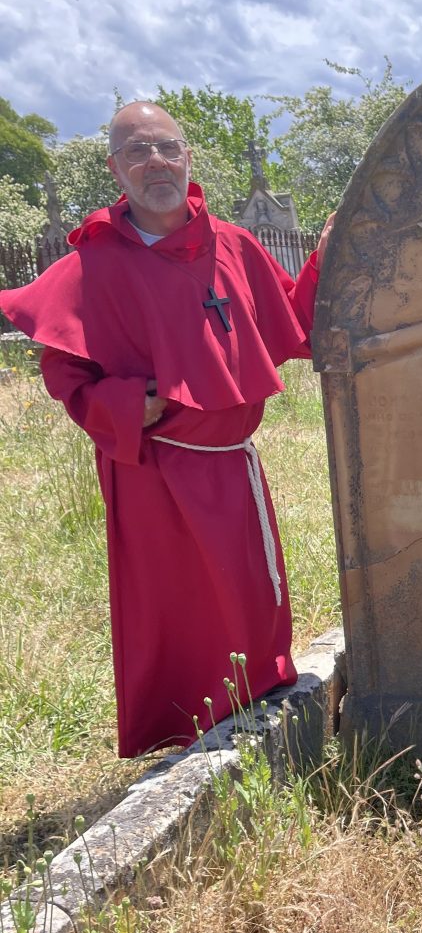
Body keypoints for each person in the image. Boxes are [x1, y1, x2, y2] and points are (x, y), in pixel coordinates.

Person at [0, 102, 334, 758]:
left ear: (187, 158)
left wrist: (322, 260)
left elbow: (288, 319)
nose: (155, 162)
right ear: (115, 168)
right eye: (137, 151)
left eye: (166, 148)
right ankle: (194, 730)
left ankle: (258, 711)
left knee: (249, 598)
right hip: (157, 469)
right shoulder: (94, 261)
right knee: (181, 608)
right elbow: (66, 375)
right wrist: (127, 404)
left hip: (231, 463)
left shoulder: (234, 245)